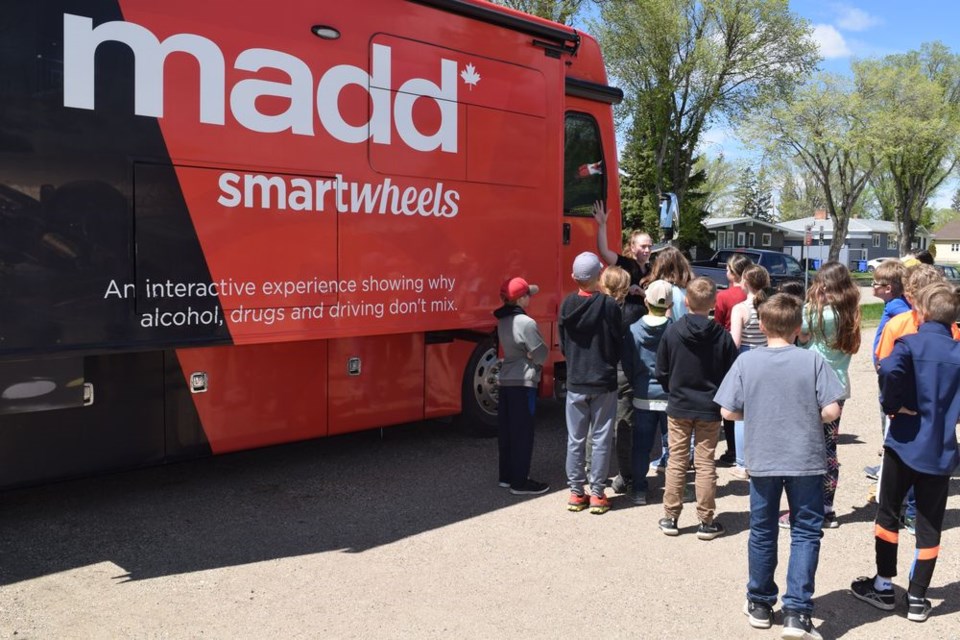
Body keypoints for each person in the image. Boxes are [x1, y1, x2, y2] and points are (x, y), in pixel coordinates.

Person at [715, 293, 844, 640]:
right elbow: (831, 410)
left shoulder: (747, 363)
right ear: (799, 329)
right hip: (805, 458)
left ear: (762, 325)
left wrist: (754, 414)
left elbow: (727, 411)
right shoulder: (812, 362)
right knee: (804, 531)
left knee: (762, 529)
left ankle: (759, 602)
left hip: (764, 458)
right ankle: (797, 611)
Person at [850, 283, 960, 623]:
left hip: (903, 443)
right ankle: (917, 596)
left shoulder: (909, 344)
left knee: (888, 513)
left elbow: (889, 371)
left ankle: (883, 584)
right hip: (940, 448)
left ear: (922, 313)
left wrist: (894, 405)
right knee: (929, 524)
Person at [654, 277, 738, 539]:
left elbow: (661, 370)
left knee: (677, 461)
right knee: (704, 464)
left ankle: (670, 516)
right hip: (709, 408)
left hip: (679, 404)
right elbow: (731, 373)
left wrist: (674, 388)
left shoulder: (672, 331)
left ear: (686, 301)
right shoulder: (722, 337)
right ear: (714, 303)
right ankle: (706, 520)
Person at [780, 261, 861, 530]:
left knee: (802, 448)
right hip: (837, 386)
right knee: (828, 450)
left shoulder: (817, 313)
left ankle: (801, 510)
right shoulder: (849, 311)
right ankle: (826, 508)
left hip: (811, 385)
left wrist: (811, 302)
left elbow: (799, 333)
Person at [559, 251, 623, 515]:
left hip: (576, 379)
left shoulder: (566, 305)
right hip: (603, 379)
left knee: (575, 439)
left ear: (574, 277)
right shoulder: (609, 305)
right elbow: (617, 340)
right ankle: (597, 493)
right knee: (601, 438)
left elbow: (563, 344)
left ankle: (576, 491)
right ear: (600, 274)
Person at [494, 277, 550, 495]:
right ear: (520, 299)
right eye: (528, 295)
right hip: (523, 380)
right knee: (523, 432)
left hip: (506, 378)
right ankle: (520, 481)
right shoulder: (527, 323)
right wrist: (532, 355)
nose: (530, 298)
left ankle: (506, 476)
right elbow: (541, 353)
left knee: (507, 431)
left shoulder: (502, 320)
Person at [621, 279, 673, 506]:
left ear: (646, 301)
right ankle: (673, 490)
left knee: (641, 446)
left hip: (643, 394)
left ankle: (640, 489)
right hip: (669, 396)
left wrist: (636, 382)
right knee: (672, 445)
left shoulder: (633, 330)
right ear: (669, 304)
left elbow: (628, 363)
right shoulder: (673, 329)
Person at [600, 266, 646, 495]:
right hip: (623, 371)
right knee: (624, 425)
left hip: (599, 368)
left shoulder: (596, 307)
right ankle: (625, 474)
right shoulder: (635, 310)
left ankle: (592, 470)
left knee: (595, 424)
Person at [727, 264, 771, 481]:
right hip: (768, 356)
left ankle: (743, 463)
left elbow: (734, 341)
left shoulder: (740, 309)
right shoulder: (770, 306)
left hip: (746, 357)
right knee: (764, 411)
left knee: (741, 413)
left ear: (744, 282)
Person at [713, 254, 753, 467]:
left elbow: (718, 324)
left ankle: (732, 449)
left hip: (731, 349)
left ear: (732, 272)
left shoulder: (724, 296)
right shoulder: (755, 295)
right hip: (754, 347)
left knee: (732, 399)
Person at [592, 200, 653, 302]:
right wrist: (602, 225)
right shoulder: (625, 263)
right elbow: (604, 252)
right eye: (643, 246)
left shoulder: (652, 270)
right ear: (632, 248)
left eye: (649, 246)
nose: (647, 250)